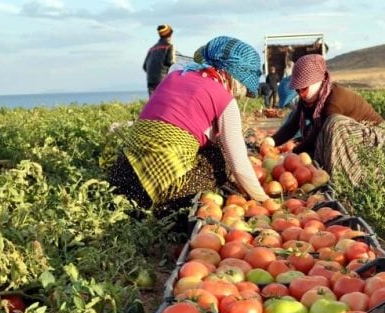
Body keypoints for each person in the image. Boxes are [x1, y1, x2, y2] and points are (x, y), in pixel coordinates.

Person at [110, 35, 269, 219]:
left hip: (123, 176)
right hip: (161, 189)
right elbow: (239, 164)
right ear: (234, 77)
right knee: (222, 158)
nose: (240, 94)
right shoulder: (223, 98)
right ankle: (169, 208)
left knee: (208, 145)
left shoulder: (174, 77)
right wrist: (263, 201)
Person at [261, 54, 385, 184]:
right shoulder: (308, 99)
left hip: (374, 140)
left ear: (319, 81)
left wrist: (292, 154)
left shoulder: (335, 98)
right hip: (351, 137)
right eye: (298, 90)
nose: (301, 93)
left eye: (304, 89)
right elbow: (292, 125)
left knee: (333, 123)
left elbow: (319, 134)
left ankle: (345, 180)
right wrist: (272, 141)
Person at [143, 24, 176, 96]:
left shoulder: (152, 49)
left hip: (151, 81)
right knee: (164, 102)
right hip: (162, 81)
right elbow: (171, 63)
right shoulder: (169, 46)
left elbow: (145, 66)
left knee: (153, 102)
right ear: (169, 35)